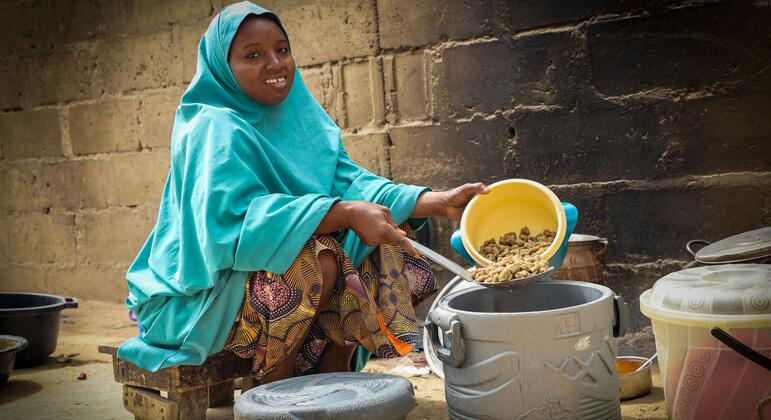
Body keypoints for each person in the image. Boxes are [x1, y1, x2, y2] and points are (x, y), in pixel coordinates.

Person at [117, 1, 489, 384]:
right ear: (223, 67)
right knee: (318, 257)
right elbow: (231, 229)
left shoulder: (299, 115)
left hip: (259, 290)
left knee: (390, 243)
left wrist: (438, 202)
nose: (276, 64)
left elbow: (352, 184)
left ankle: (333, 371)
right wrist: (343, 213)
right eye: (253, 55)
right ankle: (277, 383)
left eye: (282, 49)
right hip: (200, 298)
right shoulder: (213, 127)